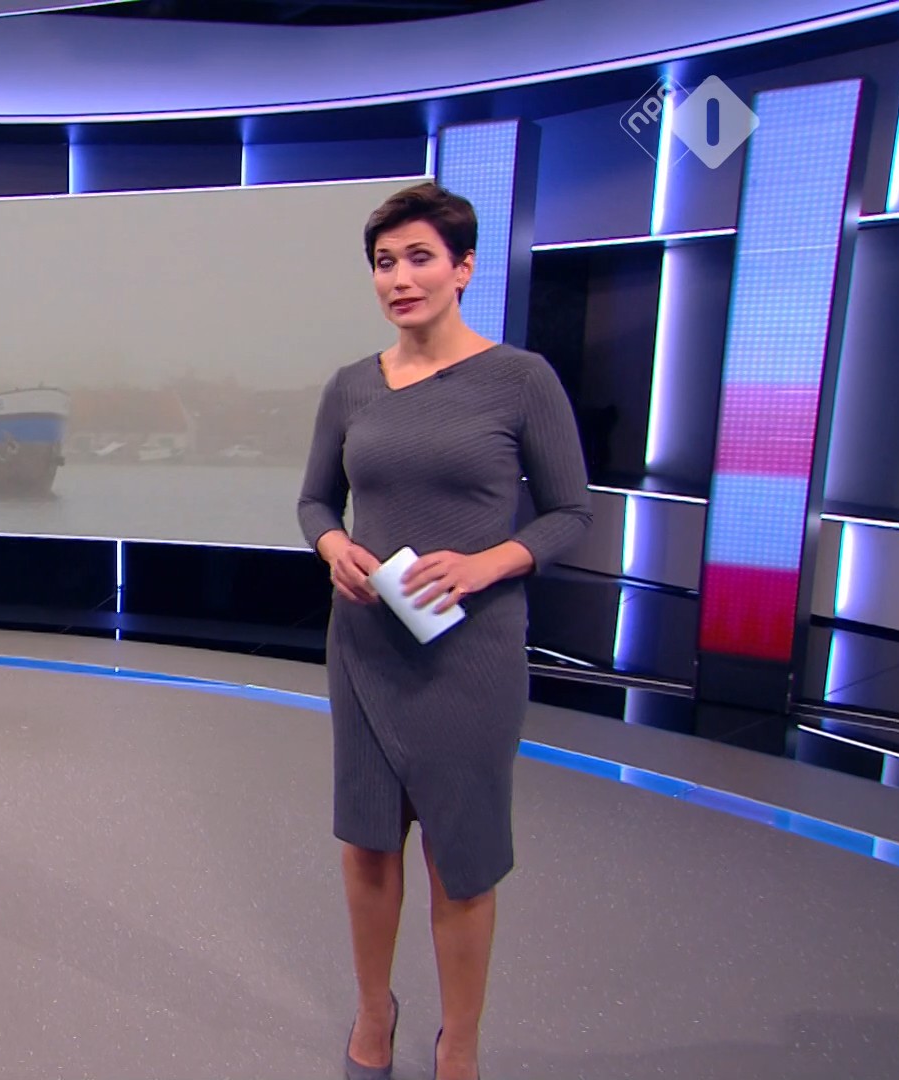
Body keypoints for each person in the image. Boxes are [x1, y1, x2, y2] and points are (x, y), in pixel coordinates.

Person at [296, 182, 591, 1080]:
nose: (400, 278)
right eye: (385, 262)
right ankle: (373, 1011)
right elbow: (314, 501)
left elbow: (571, 514)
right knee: (367, 842)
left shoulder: (521, 380)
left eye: (419, 258)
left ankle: (459, 1041)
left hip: (472, 652)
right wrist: (334, 545)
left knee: (462, 858)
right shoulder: (351, 386)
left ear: (463, 268)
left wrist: (487, 563)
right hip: (366, 646)